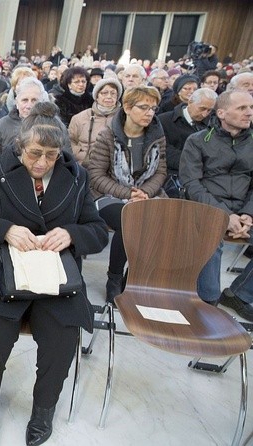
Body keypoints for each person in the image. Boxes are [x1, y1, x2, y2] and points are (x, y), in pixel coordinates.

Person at [0, 102, 108, 446]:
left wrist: (71, 234)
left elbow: (97, 231)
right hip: (0, 272)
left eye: (51, 155)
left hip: (55, 279)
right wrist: (4, 229)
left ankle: (43, 410)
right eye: (35, 153)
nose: (42, 163)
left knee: (63, 338)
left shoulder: (76, 177)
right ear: (20, 147)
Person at [87, 86, 167, 303]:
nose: (150, 113)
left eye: (153, 108)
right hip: (108, 195)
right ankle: (114, 278)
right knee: (130, 220)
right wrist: (128, 193)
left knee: (163, 220)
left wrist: (145, 192)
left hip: (147, 193)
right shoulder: (108, 136)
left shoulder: (157, 136)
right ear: (128, 108)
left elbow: (160, 171)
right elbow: (96, 175)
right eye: (143, 107)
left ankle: (134, 276)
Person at [180, 90, 253, 308]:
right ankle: (207, 302)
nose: (249, 113)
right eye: (242, 108)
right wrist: (225, 215)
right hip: (207, 207)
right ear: (221, 112)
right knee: (211, 238)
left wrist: (248, 214)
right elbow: (191, 184)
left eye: (251, 108)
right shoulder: (198, 141)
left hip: (243, 209)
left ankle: (239, 294)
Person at [157, 87, 217, 197]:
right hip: (173, 177)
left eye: (209, 110)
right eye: (202, 109)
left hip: (205, 176)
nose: (205, 114)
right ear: (190, 102)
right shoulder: (164, 120)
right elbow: (163, 150)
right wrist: (194, 161)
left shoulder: (213, 124)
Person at [0, 77, 48, 161]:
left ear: (42, 102)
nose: (29, 106)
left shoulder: (53, 126)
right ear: (17, 102)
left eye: (34, 100)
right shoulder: (1, 126)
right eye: (24, 100)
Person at [68, 77, 122, 165]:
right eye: (104, 93)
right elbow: (70, 141)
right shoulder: (80, 118)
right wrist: (82, 155)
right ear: (96, 96)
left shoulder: (124, 118)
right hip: (86, 166)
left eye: (113, 93)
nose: (109, 96)